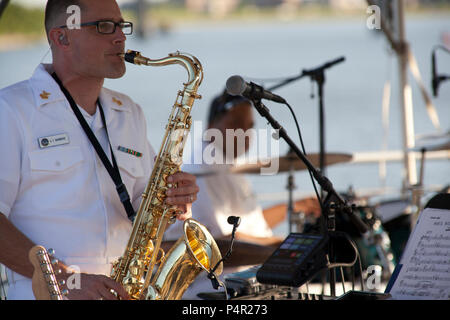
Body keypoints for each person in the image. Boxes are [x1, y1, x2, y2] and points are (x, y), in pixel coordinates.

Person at [0, 0, 199, 300]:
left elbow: (144, 205)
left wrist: (175, 199)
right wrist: (66, 279)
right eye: (104, 26)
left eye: (122, 25)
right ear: (61, 37)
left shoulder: (129, 112)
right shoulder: (10, 111)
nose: (120, 37)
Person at [163, 91, 321, 298]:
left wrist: (293, 208)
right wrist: (281, 248)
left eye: (249, 127)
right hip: (208, 285)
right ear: (211, 128)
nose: (244, 134)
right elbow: (223, 243)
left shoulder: (225, 163)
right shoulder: (204, 166)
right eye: (236, 124)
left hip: (238, 276)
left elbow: (248, 224)